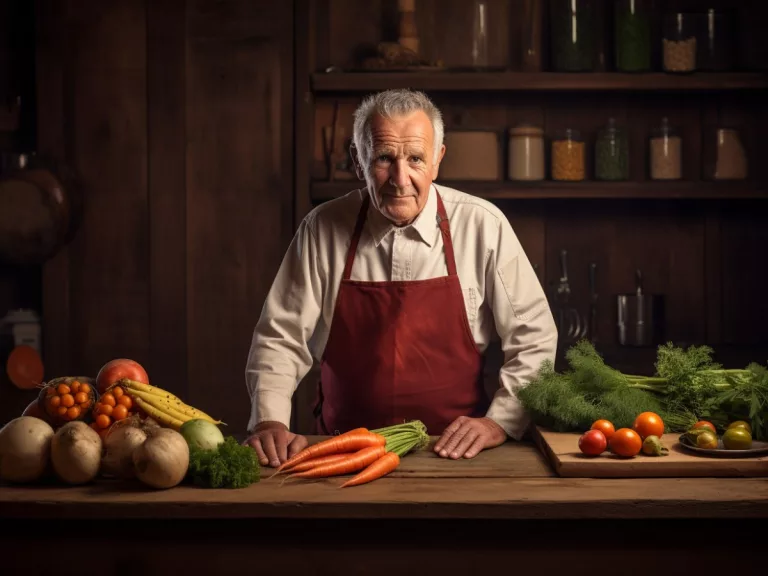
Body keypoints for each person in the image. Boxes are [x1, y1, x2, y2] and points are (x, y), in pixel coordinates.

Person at [244, 88, 557, 468]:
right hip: (341, 452)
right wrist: (269, 420)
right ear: (358, 161)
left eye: (415, 158)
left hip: (456, 455)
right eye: (384, 158)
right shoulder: (322, 228)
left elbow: (534, 337)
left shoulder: (483, 226)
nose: (400, 178)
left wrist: (500, 421)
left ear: (438, 160)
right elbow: (280, 336)